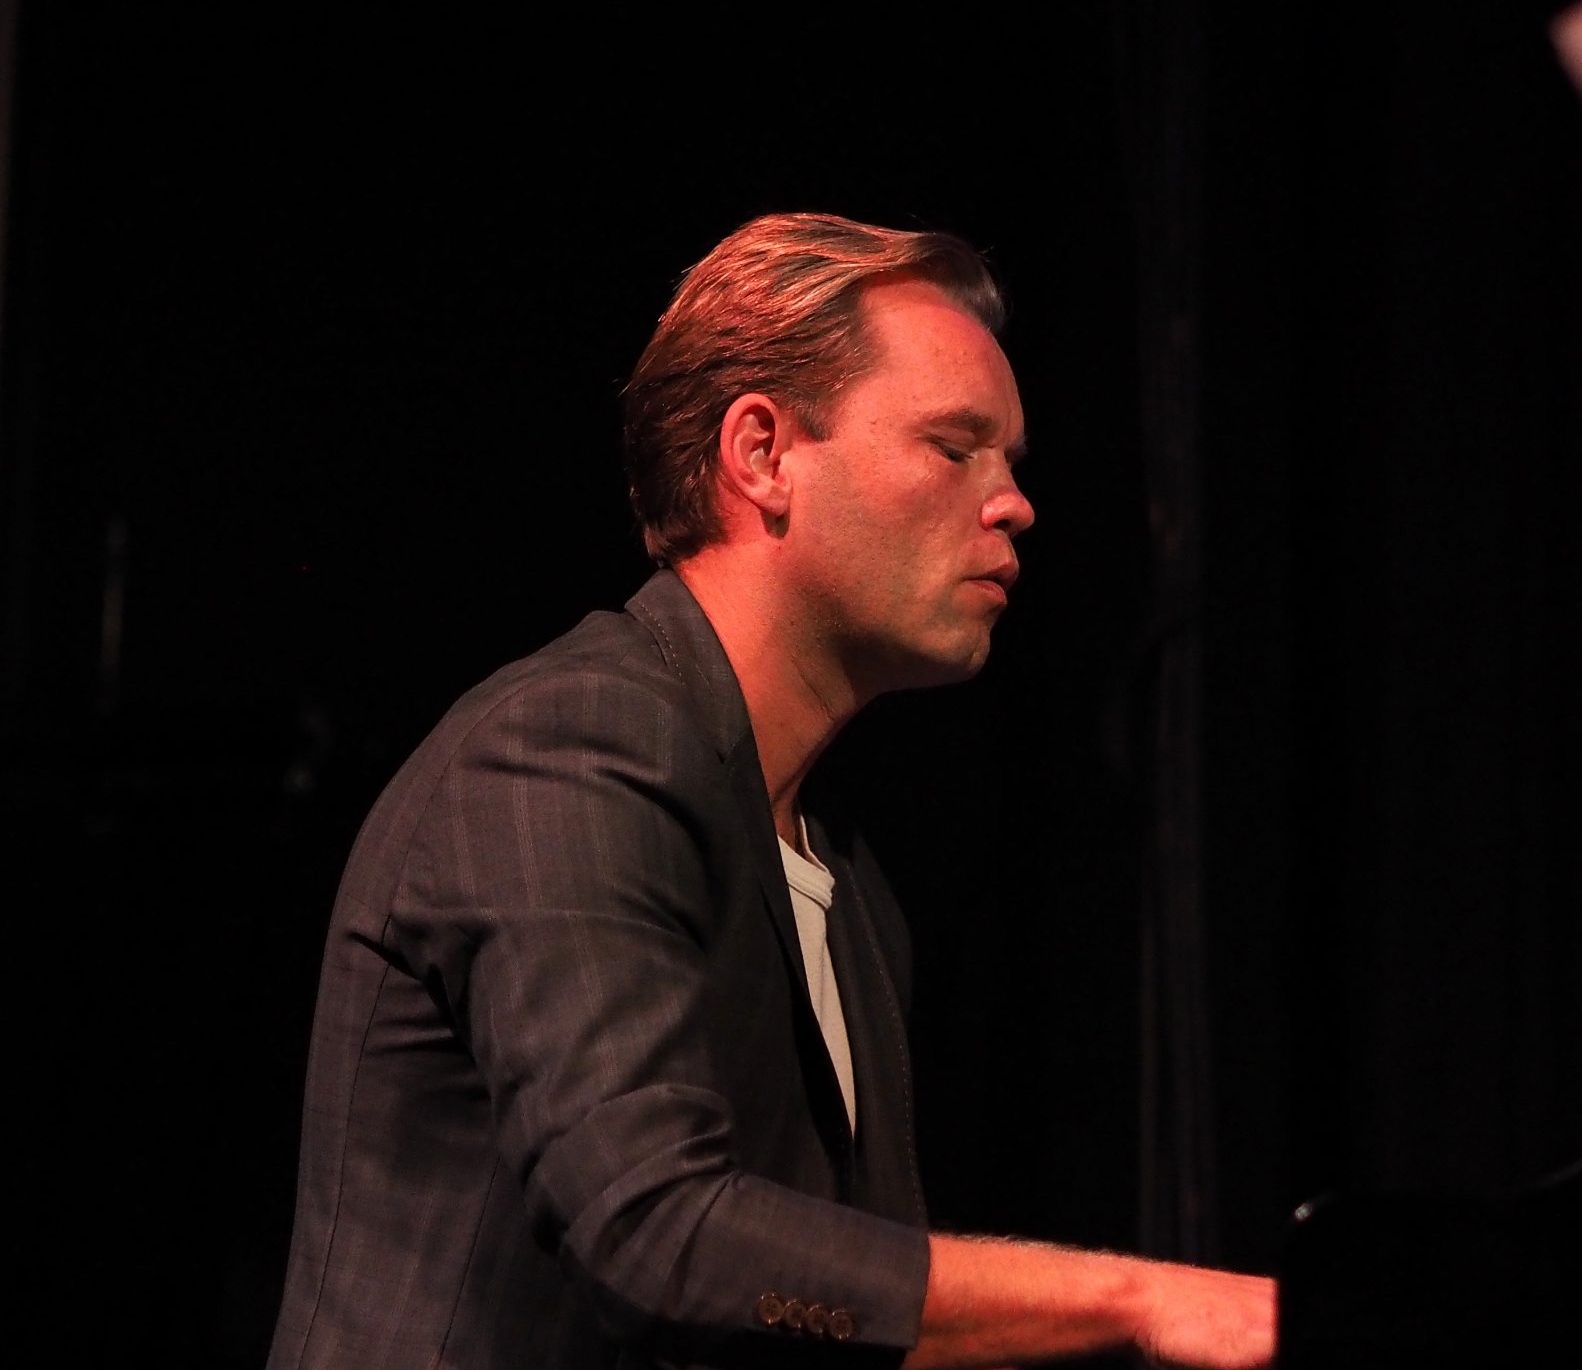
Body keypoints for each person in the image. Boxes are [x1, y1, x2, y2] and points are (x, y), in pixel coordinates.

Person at [267, 213, 1276, 1370]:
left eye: (1010, 462)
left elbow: (824, 1307)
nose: (1011, 502)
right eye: (954, 448)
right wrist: (1137, 1299)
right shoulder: (565, 747)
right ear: (761, 452)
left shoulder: (843, 880)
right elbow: (657, 1236)